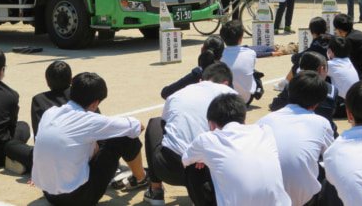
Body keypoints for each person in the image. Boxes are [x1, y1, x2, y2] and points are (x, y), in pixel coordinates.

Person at [32, 72, 148, 206]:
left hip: (49, 194)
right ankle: (141, 178)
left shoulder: (50, 112)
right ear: (95, 103)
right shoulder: (90, 120)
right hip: (78, 199)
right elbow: (138, 126)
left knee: (90, 141)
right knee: (123, 136)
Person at [143, 63, 237, 206]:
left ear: (201, 81)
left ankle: (156, 192)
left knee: (155, 123)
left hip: (171, 168)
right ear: (226, 83)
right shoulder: (231, 96)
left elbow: (166, 123)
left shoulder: (177, 94)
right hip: (212, 172)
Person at [182, 94, 291, 206]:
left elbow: (185, 160)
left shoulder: (206, 140)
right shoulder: (265, 131)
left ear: (211, 125)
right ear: (243, 121)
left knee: (193, 168)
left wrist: (202, 158)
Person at [258, 71, 334, 206]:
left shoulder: (263, 121)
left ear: (288, 93)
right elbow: (333, 158)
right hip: (302, 201)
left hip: (264, 198)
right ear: (318, 103)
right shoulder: (321, 123)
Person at [270, 51, 339, 137]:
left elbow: (275, 106)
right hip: (322, 133)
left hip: (293, 132)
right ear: (321, 69)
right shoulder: (332, 90)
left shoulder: (292, 85)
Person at [274, 16, 332, 91]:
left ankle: (285, 83)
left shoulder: (317, 44)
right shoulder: (333, 38)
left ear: (311, 32)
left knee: (298, 64)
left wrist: (294, 56)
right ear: (326, 28)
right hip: (336, 68)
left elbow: (298, 57)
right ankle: (285, 82)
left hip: (324, 72)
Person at [161, 35, 225, 100]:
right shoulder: (226, 74)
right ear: (221, 56)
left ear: (202, 49)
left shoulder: (198, 74)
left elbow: (166, 93)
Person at [219, 20, 257, 105]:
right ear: (240, 39)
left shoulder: (219, 55)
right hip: (245, 99)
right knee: (255, 73)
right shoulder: (251, 53)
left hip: (224, 99)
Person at [31, 61, 72, 136]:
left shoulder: (39, 100)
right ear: (71, 80)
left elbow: (38, 133)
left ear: (47, 82)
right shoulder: (83, 96)